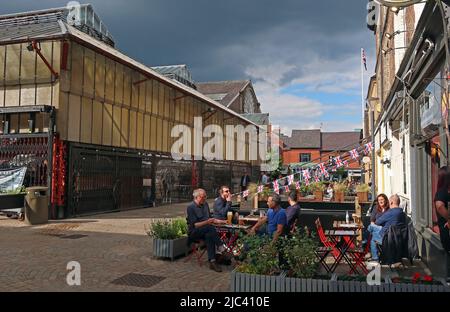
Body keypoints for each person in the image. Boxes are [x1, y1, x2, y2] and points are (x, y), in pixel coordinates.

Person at [186, 188, 227, 272]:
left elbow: (211, 219)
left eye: (205, 196)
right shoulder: (191, 207)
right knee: (209, 227)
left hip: (207, 230)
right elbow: (195, 225)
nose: (205, 198)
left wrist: (223, 221)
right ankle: (222, 249)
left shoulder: (205, 204)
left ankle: (212, 262)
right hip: (194, 233)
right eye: (203, 197)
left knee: (209, 235)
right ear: (196, 197)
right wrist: (207, 222)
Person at [368, 194, 406, 262]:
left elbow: (377, 222)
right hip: (399, 238)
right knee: (372, 228)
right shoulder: (402, 213)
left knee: (372, 233)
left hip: (388, 238)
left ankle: (375, 258)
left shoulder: (390, 212)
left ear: (391, 202)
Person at [434, 166, 450, 254]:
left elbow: (440, 206)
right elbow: (439, 206)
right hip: (447, 232)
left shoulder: (443, 191)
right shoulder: (443, 192)